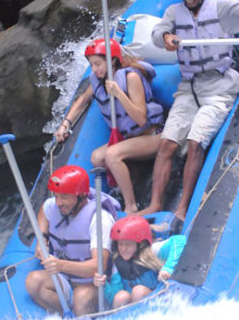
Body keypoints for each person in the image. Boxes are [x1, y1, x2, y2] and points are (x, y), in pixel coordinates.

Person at [140, 0, 239, 231]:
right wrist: (166, 37)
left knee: (195, 142)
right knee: (167, 144)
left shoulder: (223, 8)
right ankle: (155, 205)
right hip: (189, 87)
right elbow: (158, 35)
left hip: (219, 86)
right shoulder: (174, 12)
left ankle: (181, 210)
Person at [55, 38, 164, 214]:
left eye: (98, 63)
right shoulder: (98, 80)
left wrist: (119, 94)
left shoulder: (131, 77)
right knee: (96, 157)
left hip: (152, 136)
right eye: (92, 65)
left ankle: (130, 206)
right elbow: (83, 100)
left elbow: (141, 119)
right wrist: (65, 124)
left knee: (111, 154)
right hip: (129, 140)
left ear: (112, 59)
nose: (95, 69)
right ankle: (126, 183)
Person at [25, 164, 119, 317]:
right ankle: (64, 315)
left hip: (95, 281)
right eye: (56, 196)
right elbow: (44, 209)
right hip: (66, 277)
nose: (58, 202)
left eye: (64, 196)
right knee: (33, 282)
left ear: (81, 195)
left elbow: (98, 267)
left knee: (81, 298)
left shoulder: (99, 219)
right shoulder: (54, 206)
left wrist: (61, 265)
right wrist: (42, 238)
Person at [93, 215, 186, 308]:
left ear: (140, 244)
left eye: (128, 244)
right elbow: (114, 297)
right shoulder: (118, 264)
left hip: (161, 300)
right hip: (134, 309)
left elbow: (180, 241)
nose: (123, 249)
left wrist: (168, 268)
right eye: (120, 244)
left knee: (138, 292)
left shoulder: (152, 251)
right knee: (120, 297)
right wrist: (104, 286)